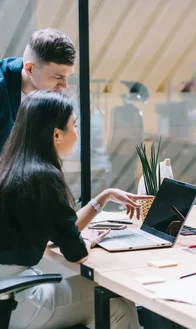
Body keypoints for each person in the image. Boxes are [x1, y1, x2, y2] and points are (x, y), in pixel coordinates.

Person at [0, 90, 152, 329]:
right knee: (117, 302)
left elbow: (62, 229)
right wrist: (86, 243)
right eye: (75, 125)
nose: (78, 132)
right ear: (56, 134)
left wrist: (104, 197)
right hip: (19, 301)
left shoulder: (14, 168)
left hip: (8, 291)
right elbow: (76, 253)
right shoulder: (43, 177)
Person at [0, 28, 75, 151]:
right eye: (57, 77)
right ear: (29, 69)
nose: (64, 85)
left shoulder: (49, 95)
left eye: (67, 77)